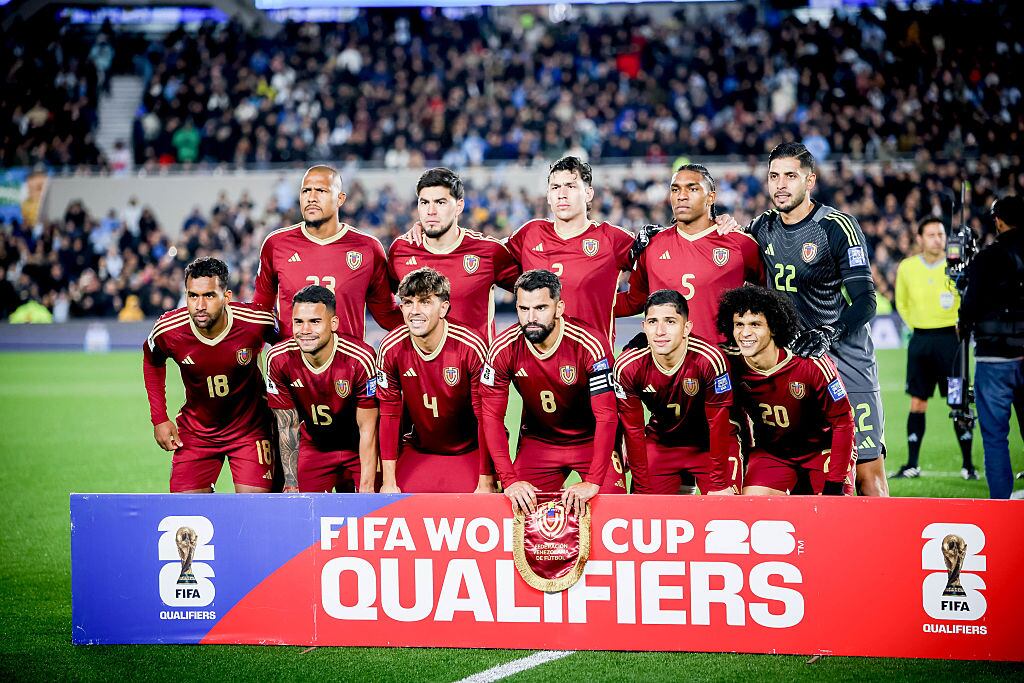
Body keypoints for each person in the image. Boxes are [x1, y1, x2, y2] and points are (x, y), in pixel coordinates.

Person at [744, 142, 887, 496]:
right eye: (774, 176)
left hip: (845, 360)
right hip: (793, 367)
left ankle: (885, 548)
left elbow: (867, 301)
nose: (780, 184)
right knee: (808, 474)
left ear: (810, 180)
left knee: (867, 471)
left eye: (790, 176)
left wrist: (828, 332)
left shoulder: (836, 226)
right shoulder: (760, 228)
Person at [480, 269, 625, 515]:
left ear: (559, 308)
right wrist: (510, 480)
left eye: (541, 308)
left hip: (589, 440)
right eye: (523, 309)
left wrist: (594, 480)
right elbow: (491, 417)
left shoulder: (590, 344)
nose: (531, 318)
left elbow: (607, 415)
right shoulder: (503, 348)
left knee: (614, 510)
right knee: (516, 511)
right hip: (540, 442)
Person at [142, 257, 277, 493]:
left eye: (209, 296)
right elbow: (152, 361)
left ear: (226, 297)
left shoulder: (255, 321)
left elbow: (289, 349)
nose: (200, 305)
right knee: (187, 515)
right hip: (196, 432)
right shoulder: (168, 329)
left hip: (250, 430)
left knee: (256, 509)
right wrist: (159, 418)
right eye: (193, 295)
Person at [717, 285, 856, 496]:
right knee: (751, 505)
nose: (745, 333)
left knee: (830, 512)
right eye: (739, 324)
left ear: (773, 328)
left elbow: (843, 423)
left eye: (755, 324)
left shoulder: (810, 362)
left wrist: (835, 483)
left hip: (822, 450)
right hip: (773, 454)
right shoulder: (731, 365)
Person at [376, 268, 496, 493]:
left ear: (444, 308)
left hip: (470, 449)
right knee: (397, 507)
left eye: (424, 302)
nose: (415, 311)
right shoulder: (390, 347)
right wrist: (388, 481)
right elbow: (389, 415)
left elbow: (486, 415)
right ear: (401, 308)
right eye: (408, 303)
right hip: (420, 448)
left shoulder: (471, 346)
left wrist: (486, 478)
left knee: (470, 511)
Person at [614, 165, 764, 342]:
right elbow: (634, 301)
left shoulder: (740, 243)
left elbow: (773, 291)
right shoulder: (652, 244)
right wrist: (580, 302)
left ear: (711, 197)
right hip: (667, 364)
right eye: (675, 189)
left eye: (692, 189)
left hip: (723, 363)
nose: (681, 196)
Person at [253, 165, 402, 340]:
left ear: (340, 199)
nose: (311, 198)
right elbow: (261, 311)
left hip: (347, 364)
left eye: (321, 190)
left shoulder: (368, 248)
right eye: (306, 191)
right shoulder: (276, 244)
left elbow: (387, 315)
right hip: (292, 364)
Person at [614, 289, 741, 495]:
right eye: (653, 322)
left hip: (709, 444)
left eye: (670, 322)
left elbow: (718, 423)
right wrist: (643, 489)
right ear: (644, 327)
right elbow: (634, 431)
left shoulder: (709, 359)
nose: (660, 331)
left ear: (686, 327)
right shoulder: (628, 366)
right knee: (646, 512)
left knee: (726, 512)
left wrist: (719, 484)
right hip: (662, 442)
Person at [504, 156, 637, 343]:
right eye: (555, 187)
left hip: (592, 363)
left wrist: (612, 304)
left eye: (571, 186)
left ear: (589, 193)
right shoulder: (530, 234)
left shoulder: (612, 239)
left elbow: (654, 275)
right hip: (537, 362)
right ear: (548, 196)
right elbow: (491, 263)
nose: (562, 194)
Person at [265, 285, 379, 493]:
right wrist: (291, 482)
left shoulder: (360, 359)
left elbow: (367, 429)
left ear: (333, 323)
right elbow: (287, 426)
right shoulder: (278, 359)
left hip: (358, 448)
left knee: (370, 512)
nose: (305, 330)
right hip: (315, 446)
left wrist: (367, 486)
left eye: (315, 322)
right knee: (298, 514)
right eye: (299, 322)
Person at [388, 168, 520, 342]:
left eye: (440, 202)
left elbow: (532, 293)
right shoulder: (401, 250)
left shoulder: (488, 251)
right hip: (421, 366)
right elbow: (383, 301)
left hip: (475, 367)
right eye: (424, 202)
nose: (431, 211)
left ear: (459, 206)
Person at [891, 216, 976, 479]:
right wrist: (918, 323)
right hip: (921, 342)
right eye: (931, 234)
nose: (937, 239)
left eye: (941, 234)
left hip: (952, 342)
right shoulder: (907, 267)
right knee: (917, 402)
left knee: (957, 401)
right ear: (920, 238)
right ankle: (912, 464)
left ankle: (968, 466)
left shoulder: (958, 267)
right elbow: (901, 302)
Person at [959, 195, 1024, 499]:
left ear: (998, 221)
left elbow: (969, 306)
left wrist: (963, 325)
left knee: (996, 436)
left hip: (995, 359)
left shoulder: (987, 257)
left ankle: (1001, 504)